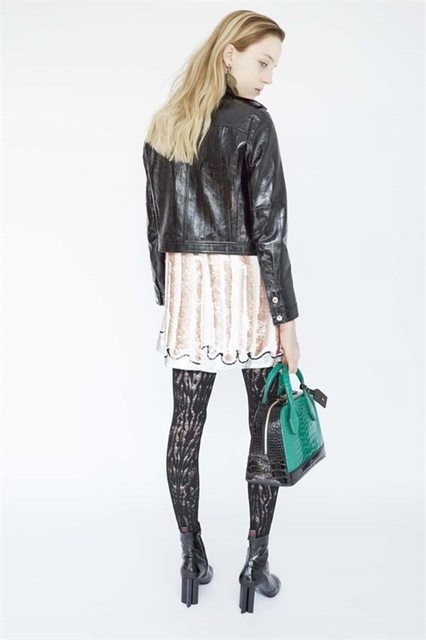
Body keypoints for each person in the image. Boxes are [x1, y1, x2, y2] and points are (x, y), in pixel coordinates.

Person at [142, 9, 301, 613]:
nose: (269, 77)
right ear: (229, 52)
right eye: (263, 62)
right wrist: (287, 320)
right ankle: (255, 564)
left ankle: (192, 557)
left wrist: (171, 296)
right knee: (265, 425)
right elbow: (270, 231)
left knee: (186, 424)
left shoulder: (166, 123)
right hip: (247, 289)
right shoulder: (253, 123)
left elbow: (154, 227)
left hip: (190, 291)